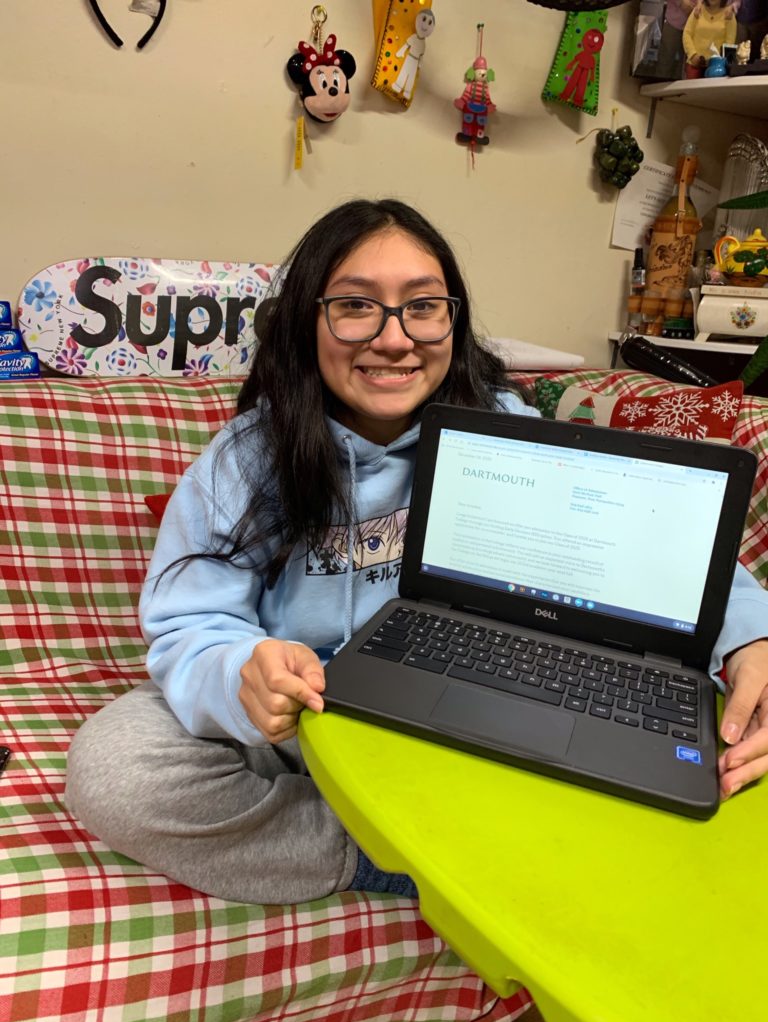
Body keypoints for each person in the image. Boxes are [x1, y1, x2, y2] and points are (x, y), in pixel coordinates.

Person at [66, 199, 768, 910]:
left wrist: (749, 638)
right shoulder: (247, 459)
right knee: (117, 768)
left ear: (452, 320)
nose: (395, 339)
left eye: (423, 307)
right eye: (355, 306)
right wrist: (241, 672)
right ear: (308, 320)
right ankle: (401, 857)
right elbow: (189, 624)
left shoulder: (498, 423)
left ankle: (463, 825)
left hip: (470, 694)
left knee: (686, 761)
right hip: (305, 714)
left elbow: (665, 548)